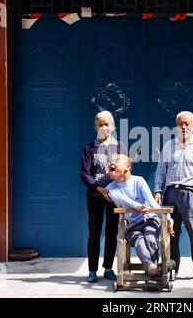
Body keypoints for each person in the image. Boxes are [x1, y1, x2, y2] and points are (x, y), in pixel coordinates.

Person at [154, 111, 193, 282]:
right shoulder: (168, 146)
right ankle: (171, 268)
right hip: (171, 194)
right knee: (170, 233)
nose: (184, 127)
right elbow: (161, 171)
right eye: (180, 123)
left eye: (187, 123)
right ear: (176, 126)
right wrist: (158, 191)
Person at [106, 154, 175, 277]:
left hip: (150, 220)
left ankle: (152, 269)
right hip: (132, 226)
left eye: (116, 160)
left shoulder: (139, 180)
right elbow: (124, 201)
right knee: (140, 242)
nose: (112, 162)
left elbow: (152, 203)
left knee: (150, 238)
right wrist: (139, 207)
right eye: (110, 160)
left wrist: (169, 220)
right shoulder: (110, 189)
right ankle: (154, 270)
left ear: (127, 166)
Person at [81, 111, 127, 283]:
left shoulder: (120, 147)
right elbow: (85, 174)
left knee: (111, 231)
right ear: (95, 127)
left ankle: (108, 268)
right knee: (94, 232)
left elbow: (125, 170)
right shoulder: (89, 148)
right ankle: (92, 270)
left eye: (107, 124)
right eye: (100, 124)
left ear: (113, 126)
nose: (104, 127)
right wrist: (99, 189)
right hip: (95, 195)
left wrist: (118, 190)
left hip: (114, 196)